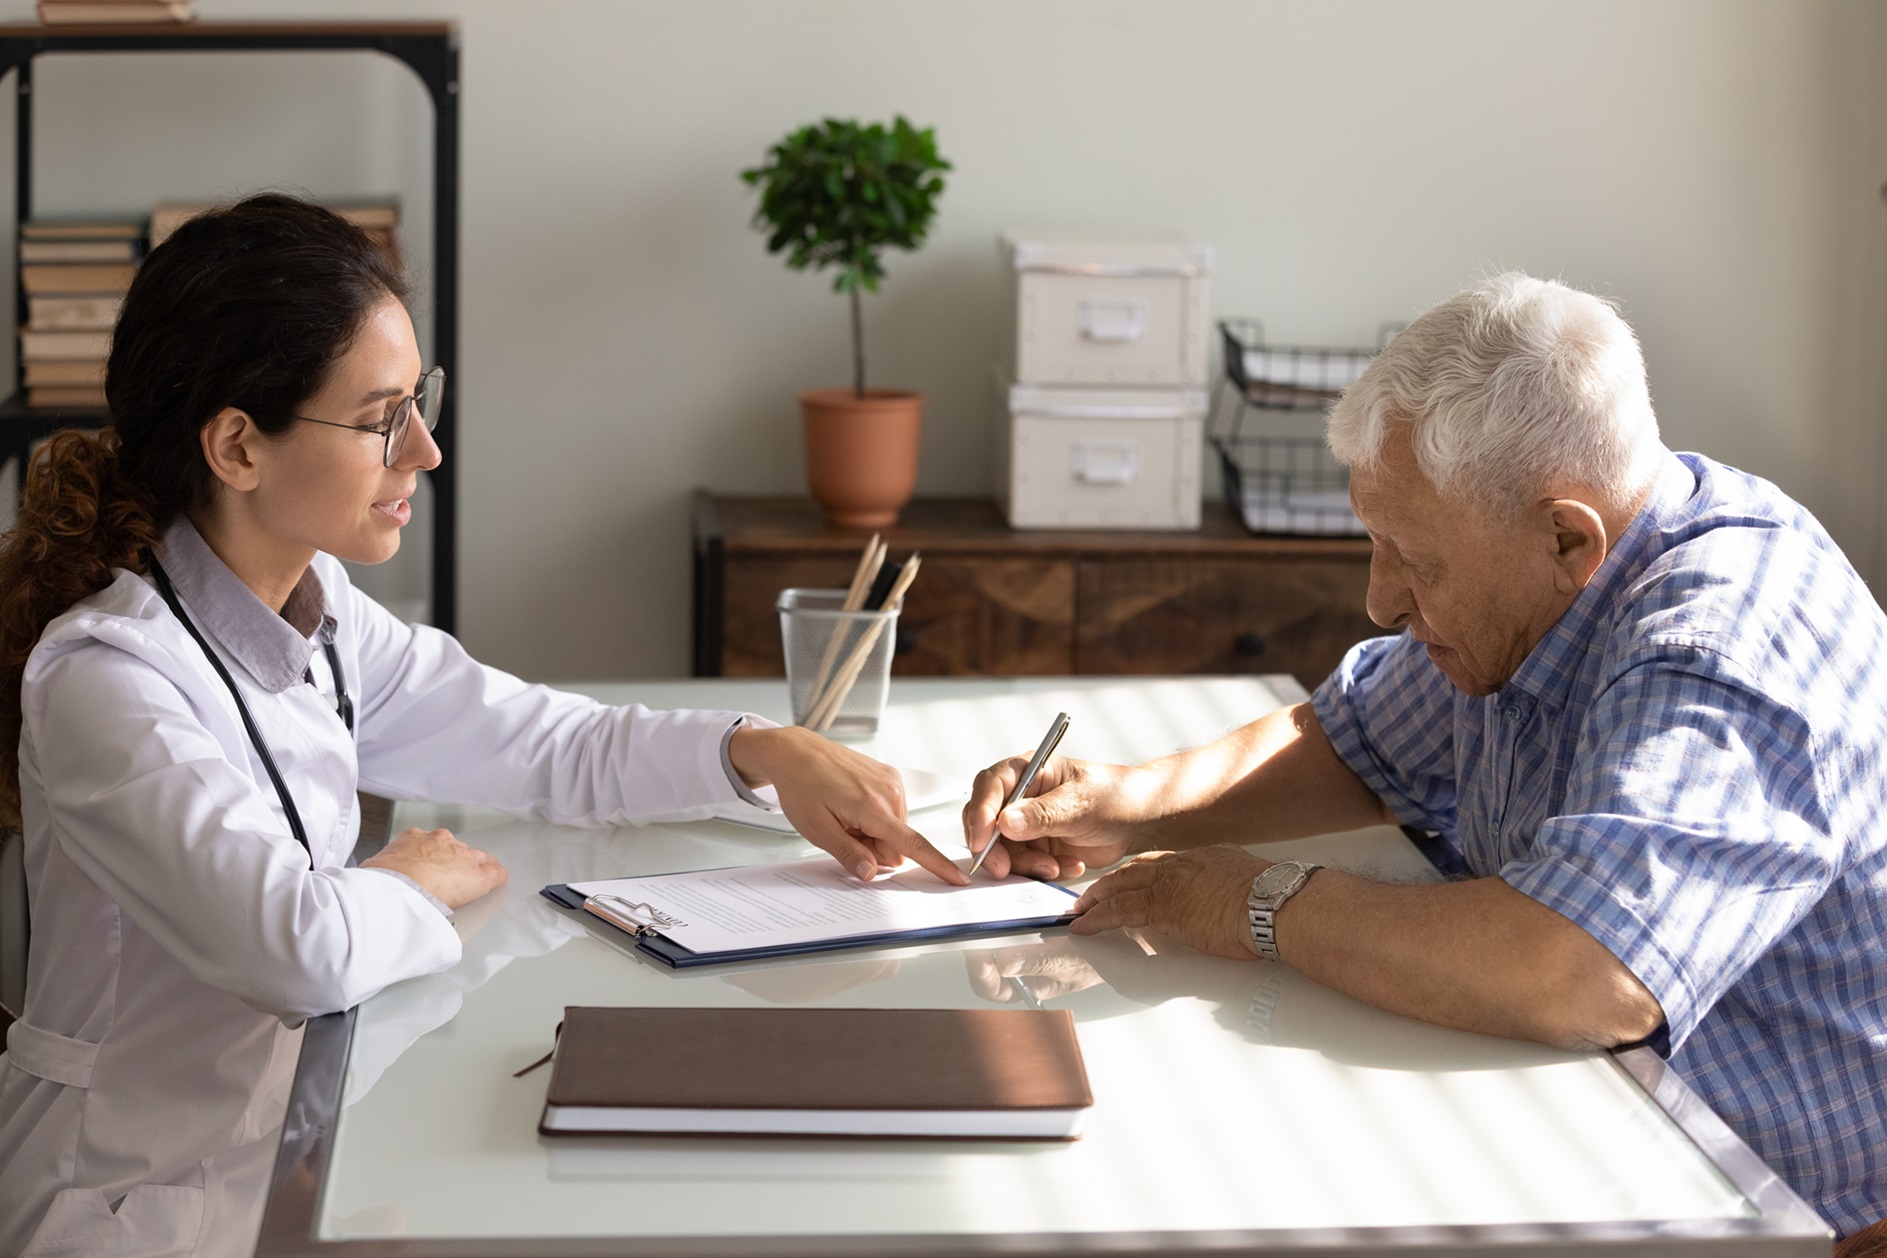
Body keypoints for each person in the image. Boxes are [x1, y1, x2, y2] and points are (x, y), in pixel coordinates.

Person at [0, 193, 965, 1258]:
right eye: (380, 419)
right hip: (126, 1206)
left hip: (279, 1154)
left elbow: (547, 744)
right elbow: (294, 947)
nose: (423, 449)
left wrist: (759, 752)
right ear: (237, 445)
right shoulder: (108, 682)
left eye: (420, 401)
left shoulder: (315, 611)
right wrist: (411, 877)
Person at [964, 273, 1887, 1239]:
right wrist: (1118, 801)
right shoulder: (1545, 577)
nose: (1379, 600)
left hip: (1787, 1214)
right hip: (1607, 1136)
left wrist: (1253, 902)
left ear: (1566, 536)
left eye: (1415, 557)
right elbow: (1351, 745)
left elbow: (1581, 970)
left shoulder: (1723, 642)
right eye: (1375, 542)